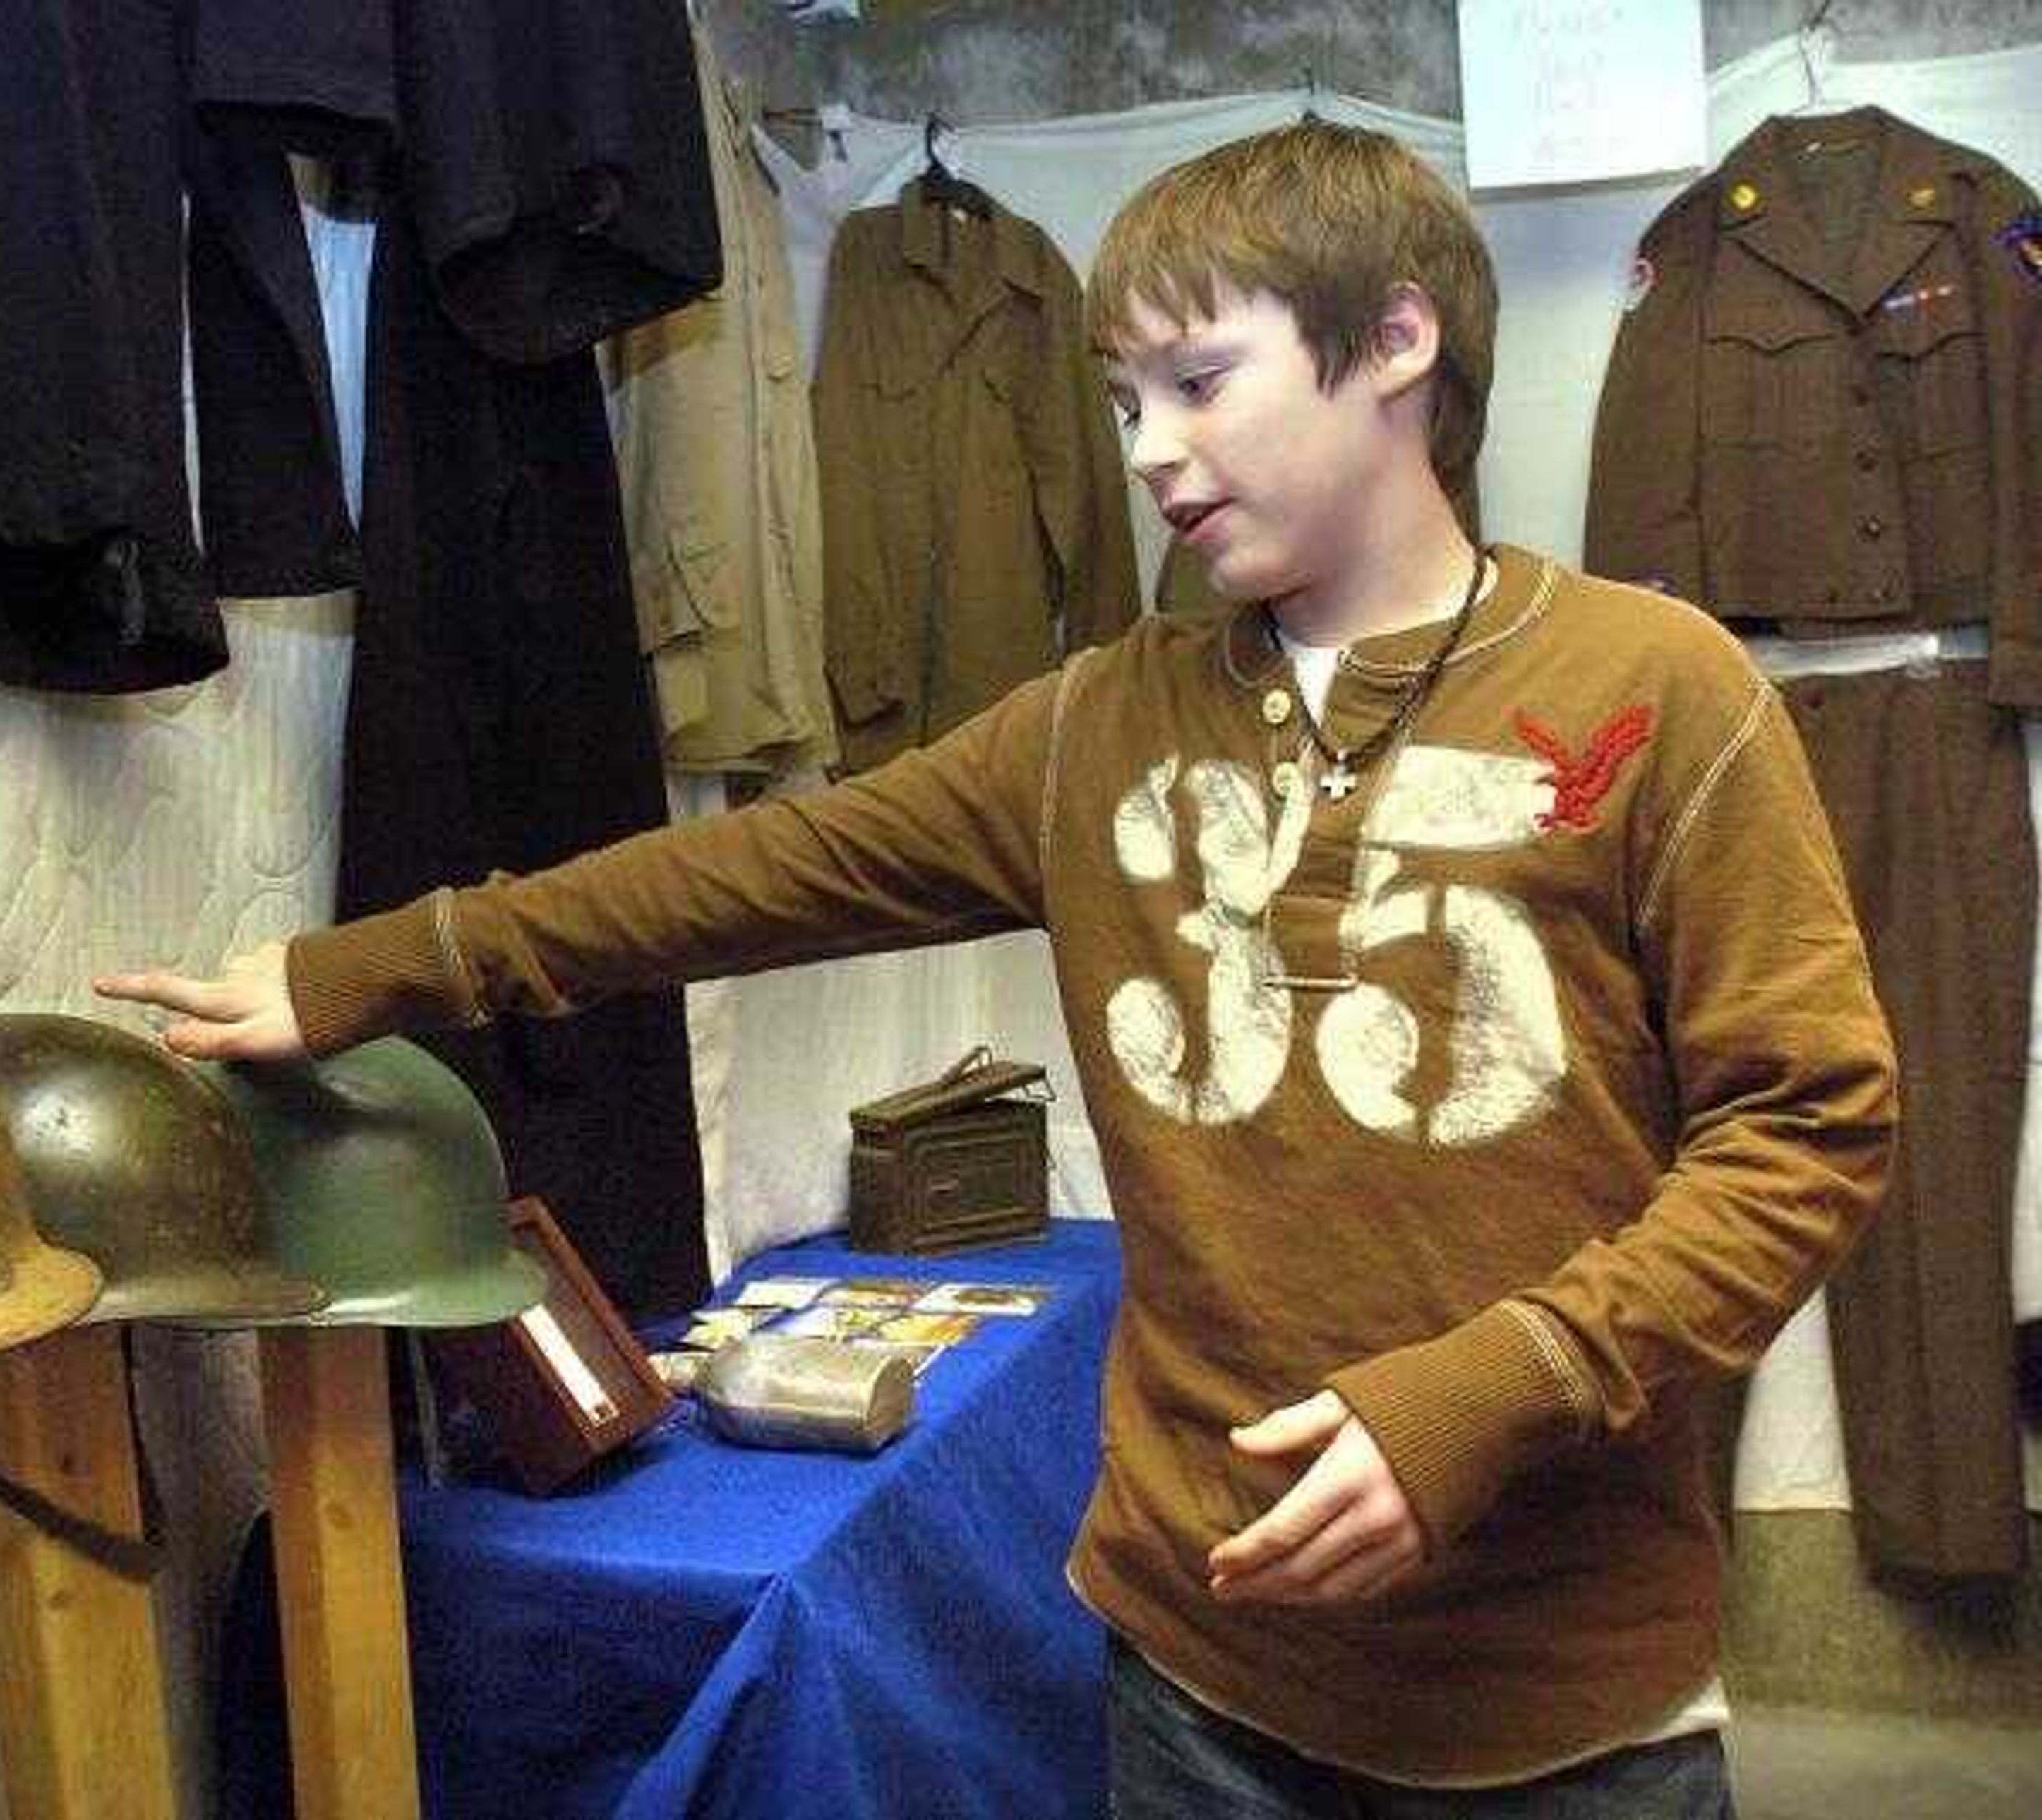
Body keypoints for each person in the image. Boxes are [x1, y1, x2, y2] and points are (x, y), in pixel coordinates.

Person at [98, 121, 1895, 1817]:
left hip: (1566, 1700)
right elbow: (749, 873)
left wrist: (1498, 1383)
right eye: (1124, 400)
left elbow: (1807, 1130)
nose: (1148, 450)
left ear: (1398, 343)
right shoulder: (1099, 724)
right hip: (1196, 1673)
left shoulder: (1656, 689)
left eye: (1201, 383)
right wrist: (371, 971)